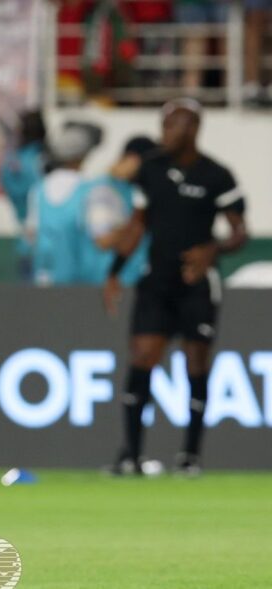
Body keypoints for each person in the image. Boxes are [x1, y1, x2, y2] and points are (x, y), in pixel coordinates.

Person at [104, 98, 248, 477]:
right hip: (157, 280)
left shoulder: (218, 175)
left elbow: (240, 233)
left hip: (197, 283)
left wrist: (211, 250)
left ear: (193, 129)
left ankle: (190, 456)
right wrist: (115, 272)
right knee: (142, 356)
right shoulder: (150, 170)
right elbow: (138, 225)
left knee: (195, 363)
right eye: (164, 125)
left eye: (173, 126)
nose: (165, 132)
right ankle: (130, 455)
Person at [75, 135, 156, 285]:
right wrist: (139, 220)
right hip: (106, 284)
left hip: (130, 282)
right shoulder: (103, 190)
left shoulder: (131, 190)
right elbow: (103, 240)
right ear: (133, 159)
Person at [26, 124, 98, 286]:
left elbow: (31, 234)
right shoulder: (90, 189)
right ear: (83, 156)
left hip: (44, 278)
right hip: (80, 281)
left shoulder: (38, 189)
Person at [0, 110, 47, 280]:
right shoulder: (48, 159)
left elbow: (9, 186)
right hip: (52, 244)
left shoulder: (15, 162)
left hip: (27, 241)